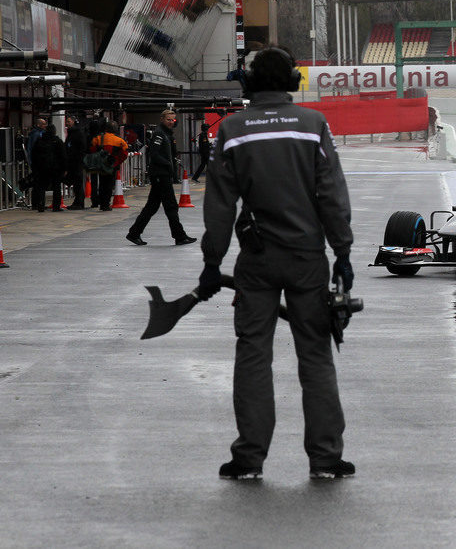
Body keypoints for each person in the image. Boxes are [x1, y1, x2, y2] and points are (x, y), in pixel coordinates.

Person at [195, 46, 355, 481]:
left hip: (257, 262)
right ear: (292, 81)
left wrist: (213, 262)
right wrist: (342, 251)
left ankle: (249, 458)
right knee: (316, 356)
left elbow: (220, 205)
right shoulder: (312, 124)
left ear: (247, 84)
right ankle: (325, 458)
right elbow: (331, 194)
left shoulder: (231, 129)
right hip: (307, 258)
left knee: (252, 355)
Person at [126, 111, 196, 245]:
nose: (171, 122)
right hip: (160, 174)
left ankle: (134, 233)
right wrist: (168, 164)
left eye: (173, 120)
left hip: (163, 174)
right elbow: (154, 153)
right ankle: (179, 236)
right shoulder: (159, 134)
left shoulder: (167, 134)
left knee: (152, 206)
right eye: (168, 119)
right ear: (162, 119)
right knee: (170, 206)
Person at [88, 121, 129, 211]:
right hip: (112, 165)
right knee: (109, 185)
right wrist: (117, 162)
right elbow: (125, 153)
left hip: (101, 165)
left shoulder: (98, 138)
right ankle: (106, 204)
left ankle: (102, 203)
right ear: (115, 129)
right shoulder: (120, 141)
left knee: (102, 184)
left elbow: (92, 149)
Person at [30, 125, 66, 212]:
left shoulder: (40, 141)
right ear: (54, 131)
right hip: (55, 168)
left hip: (42, 168)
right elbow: (63, 156)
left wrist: (35, 167)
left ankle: (40, 205)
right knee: (56, 187)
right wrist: (64, 168)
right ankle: (56, 206)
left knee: (41, 187)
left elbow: (33, 154)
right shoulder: (57, 141)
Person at [64, 115, 87, 209]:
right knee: (76, 183)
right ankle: (77, 201)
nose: (67, 123)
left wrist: (78, 158)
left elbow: (81, 147)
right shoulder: (71, 133)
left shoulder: (78, 133)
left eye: (69, 121)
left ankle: (79, 202)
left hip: (77, 162)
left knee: (78, 183)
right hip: (72, 162)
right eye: (66, 121)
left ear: (73, 122)